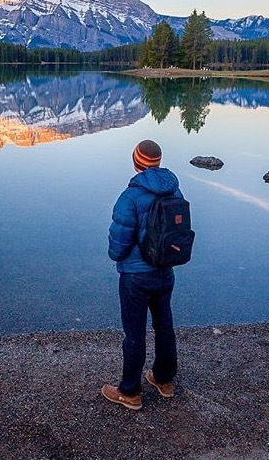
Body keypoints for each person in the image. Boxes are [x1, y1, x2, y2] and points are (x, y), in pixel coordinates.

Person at [101, 139, 182, 410]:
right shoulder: (175, 190)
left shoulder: (130, 197)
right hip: (165, 271)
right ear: (157, 162)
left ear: (136, 162)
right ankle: (164, 379)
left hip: (135, 276)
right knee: (164, 326)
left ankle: (130, 392)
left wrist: (116, 256)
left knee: (134, 333)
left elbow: (118, 243)